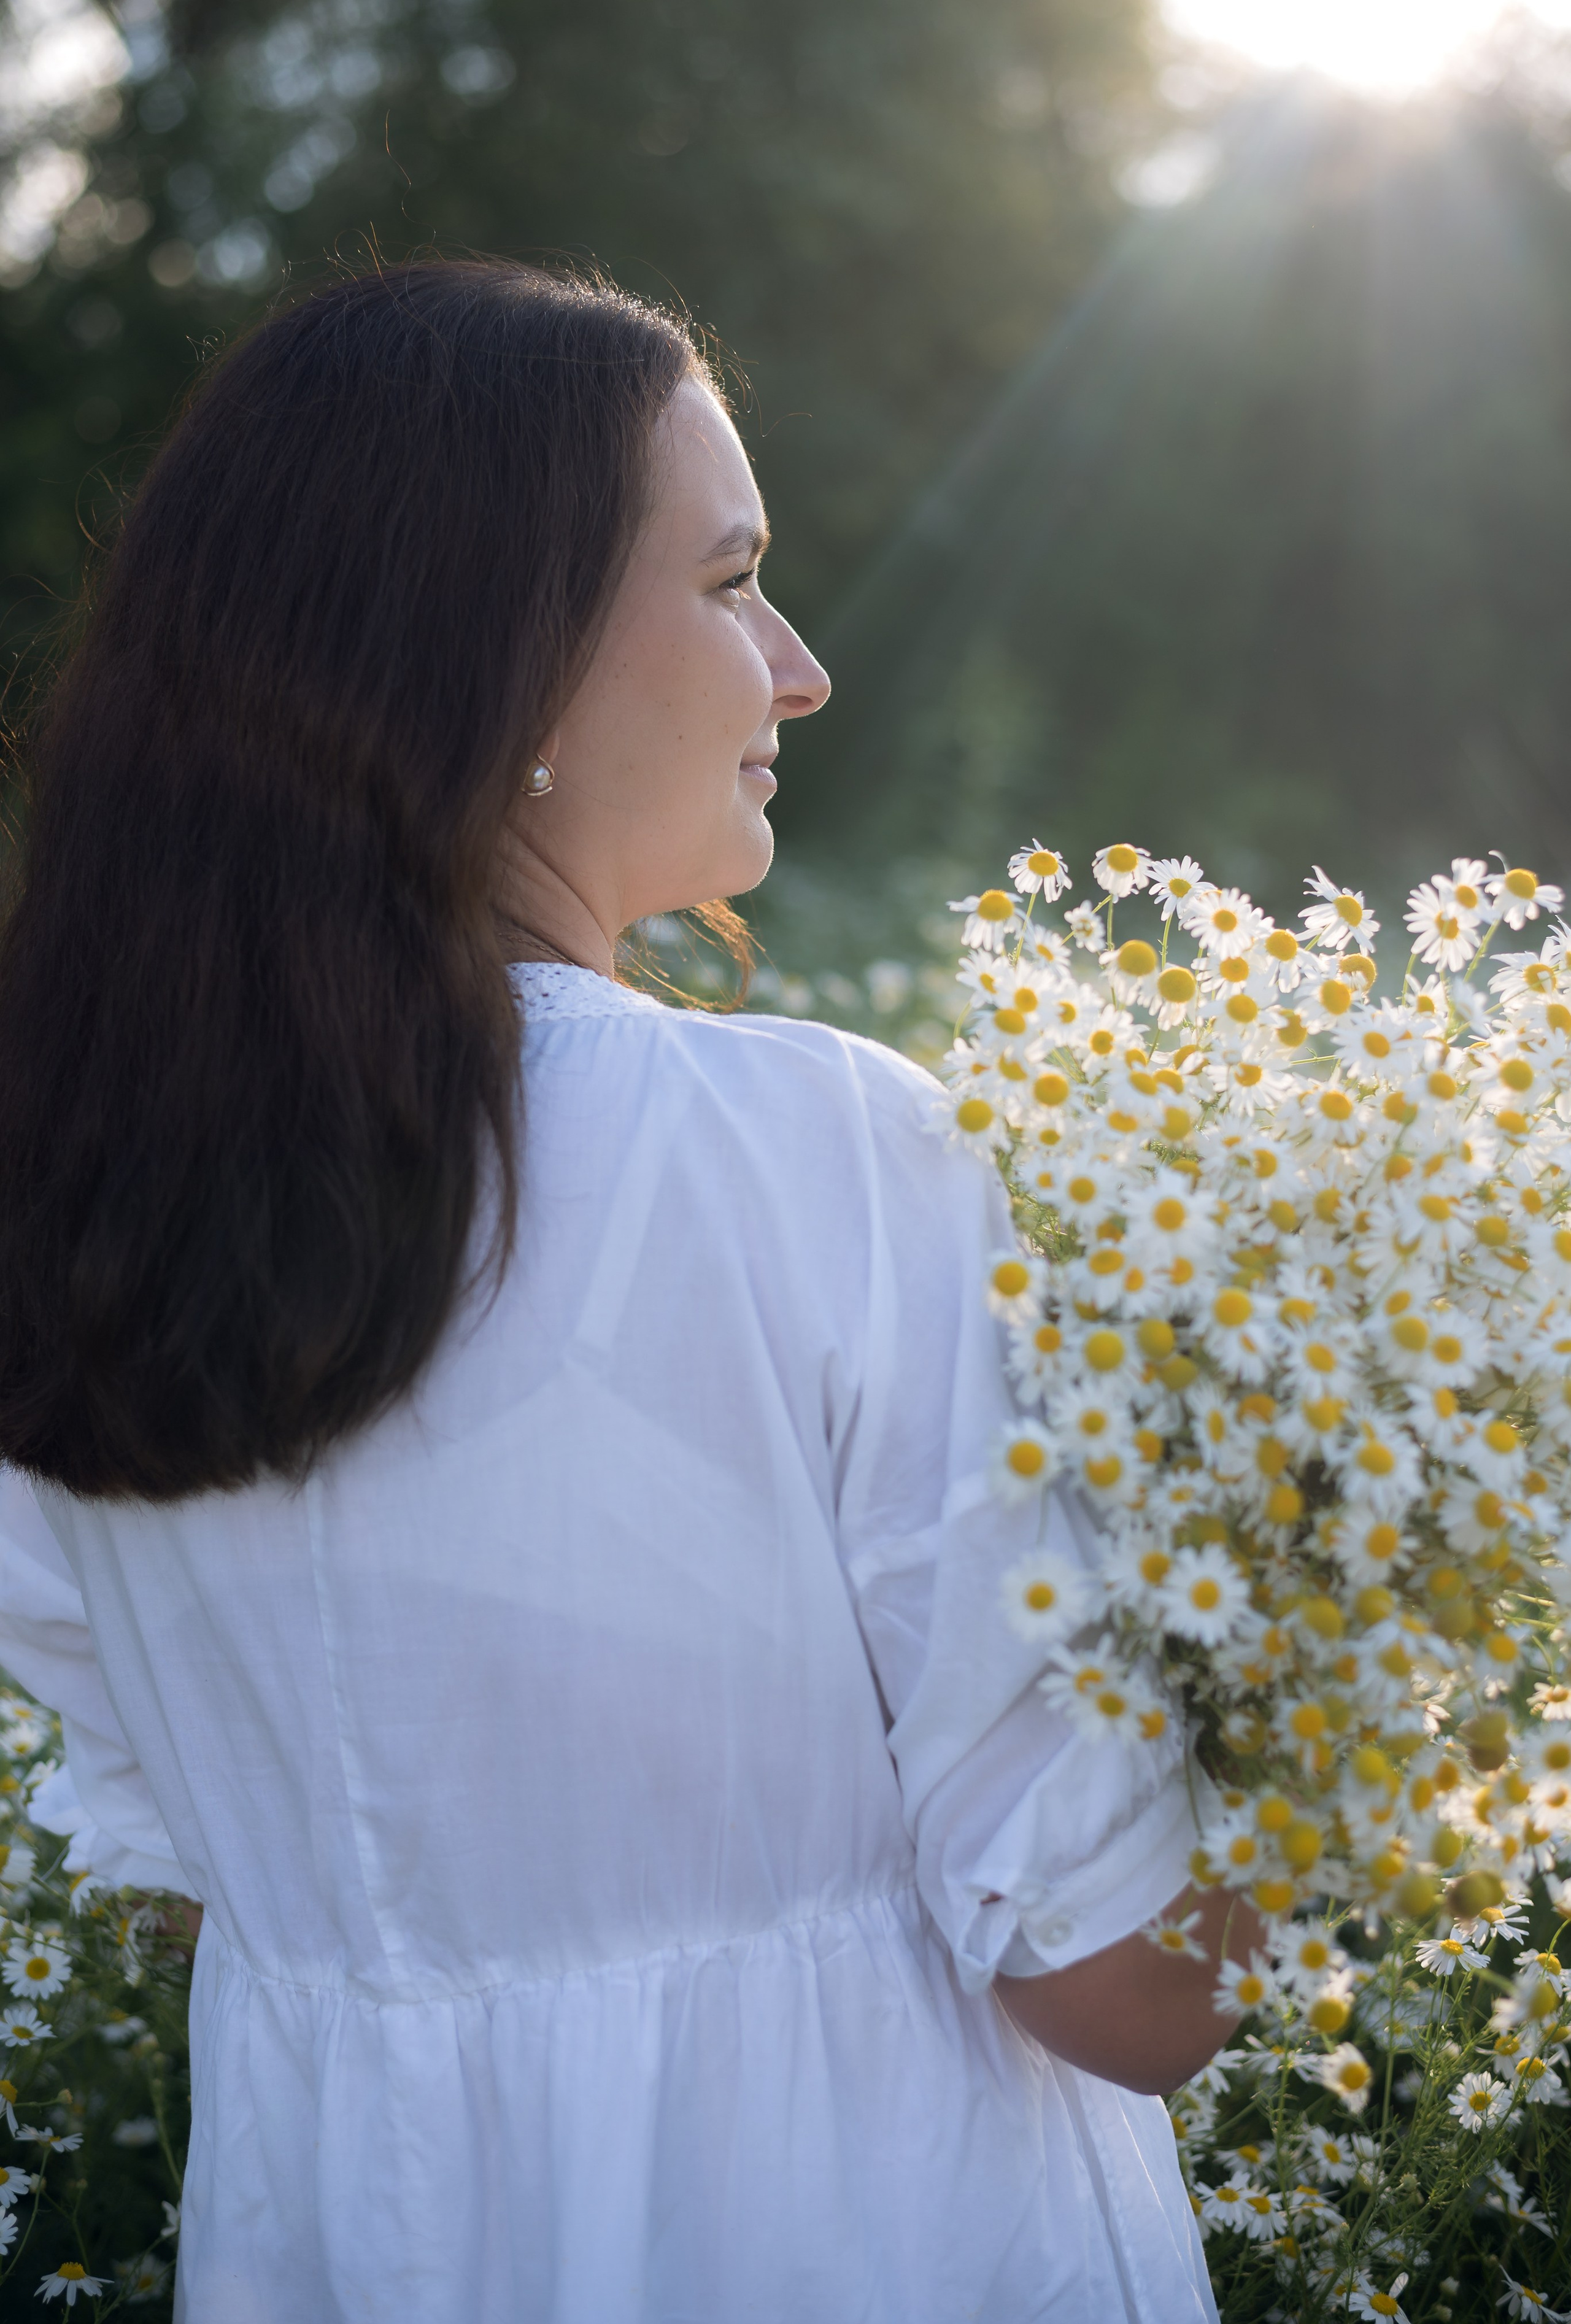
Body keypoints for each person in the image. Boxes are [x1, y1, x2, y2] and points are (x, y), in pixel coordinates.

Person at [0, 261, 1239, 2322]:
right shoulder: (822, 1156)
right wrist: (1322, 1670)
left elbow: (206, 1870)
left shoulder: (66, 1213)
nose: (803, 664)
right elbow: (1122, 1985)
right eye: (734, 577)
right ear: (508, 658)